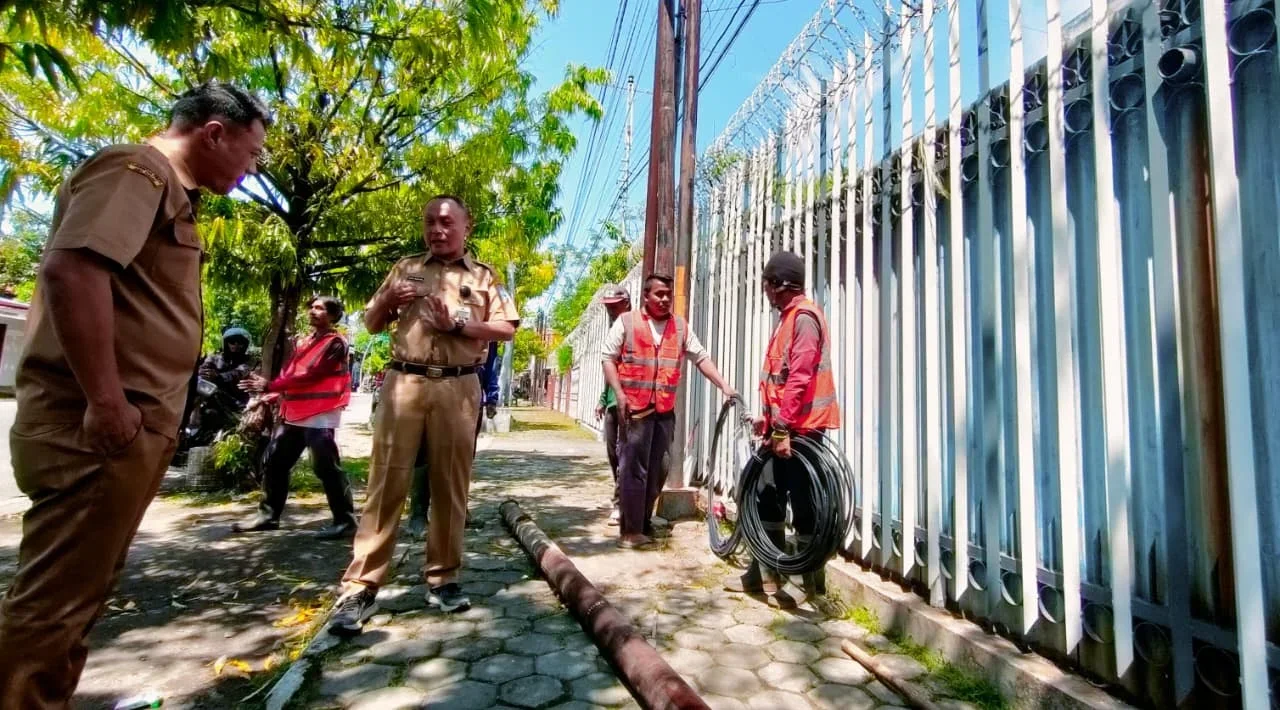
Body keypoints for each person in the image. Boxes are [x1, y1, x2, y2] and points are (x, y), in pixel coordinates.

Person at [0, 81, 269, 708]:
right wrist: (105, 400)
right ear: (214, 133)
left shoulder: (169, 191)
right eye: (251, 153)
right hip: (96, 430)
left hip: (125, 432)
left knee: (80, 596)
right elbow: (73, 270)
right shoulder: (136, 170)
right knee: (54, 605)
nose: (252, 168)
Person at [329, 195, 520, 635]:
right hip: (405, 382)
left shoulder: (484, 277)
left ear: (466, 227)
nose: (436, 229)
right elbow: (372, 322)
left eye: (446, 222)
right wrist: (387, 300)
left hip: (458, 385)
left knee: (450, 485)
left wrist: (458, 326)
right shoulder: (404, 268)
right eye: (430, 221)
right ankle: (361, 585)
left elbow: (507, 329)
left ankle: (444, 578)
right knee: (386, 482)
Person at [725, 251, 841, 607]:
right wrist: (769, 419)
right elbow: (782, 377)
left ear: (778, 284)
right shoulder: (788, 318)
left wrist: (782, 428)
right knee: (768, 493)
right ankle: (766, 575)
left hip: (800, 431)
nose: (764, 290)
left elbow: (801, 378)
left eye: (766, 283)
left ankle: (805, 586)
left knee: (801, 502)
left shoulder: (803, 318)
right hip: (785, 426)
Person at [602, 274, 737, 550]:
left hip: (663, 409)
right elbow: (608, 357)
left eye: (668, 295)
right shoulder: (627, 323)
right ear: (645, 297)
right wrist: (619, 394)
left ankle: (643, 521)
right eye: (658, 294)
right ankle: (630, 531)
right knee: (632, 470)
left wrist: (725, 386)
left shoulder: (680, 327)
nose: (664, 299)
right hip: (635, 409)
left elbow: (701, 357)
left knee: (659, 468)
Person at [232, 296, 358, 539]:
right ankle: (268, 515)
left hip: (321, 413)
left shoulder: (335, 343)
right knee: (275, 460)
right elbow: (292, 374)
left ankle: (345, 521)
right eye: (312, 307)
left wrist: (269, 385)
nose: (313, 311)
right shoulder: (303, 341)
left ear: (333, 316)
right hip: (296, 413)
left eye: (320, 308)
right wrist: (273, 392)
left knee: (325, 467)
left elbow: (311, 375)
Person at [406, 339, 502, 539]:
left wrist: (492, 396)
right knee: (425, 454)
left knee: (462, 457)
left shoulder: (484, 322)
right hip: (434, 386)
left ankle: (457, 510)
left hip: (469, 392)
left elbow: (491, 361)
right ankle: (418, 516)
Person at [593, 284, 632, 526]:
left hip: (628, 400)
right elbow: (610, 368)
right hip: (610, 402)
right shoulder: (612, 330)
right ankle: (620, 497)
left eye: (614, 306)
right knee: (612, 453)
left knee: (624, 452)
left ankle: (620, 503)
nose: (610, 311)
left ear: (625, 303)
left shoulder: (632, 327)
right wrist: (601, 398)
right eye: (608, 307)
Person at [198, 327, 256, 406]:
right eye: (232, 341)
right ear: (226, 343)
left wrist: (219, 376)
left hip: (237, 400)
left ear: (245, 344)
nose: (236, 345)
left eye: (240, 342)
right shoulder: (214, 358)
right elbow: (204, 368)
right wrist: (202, 372)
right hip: (212, 395)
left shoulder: (249, 360)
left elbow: (239, 372)